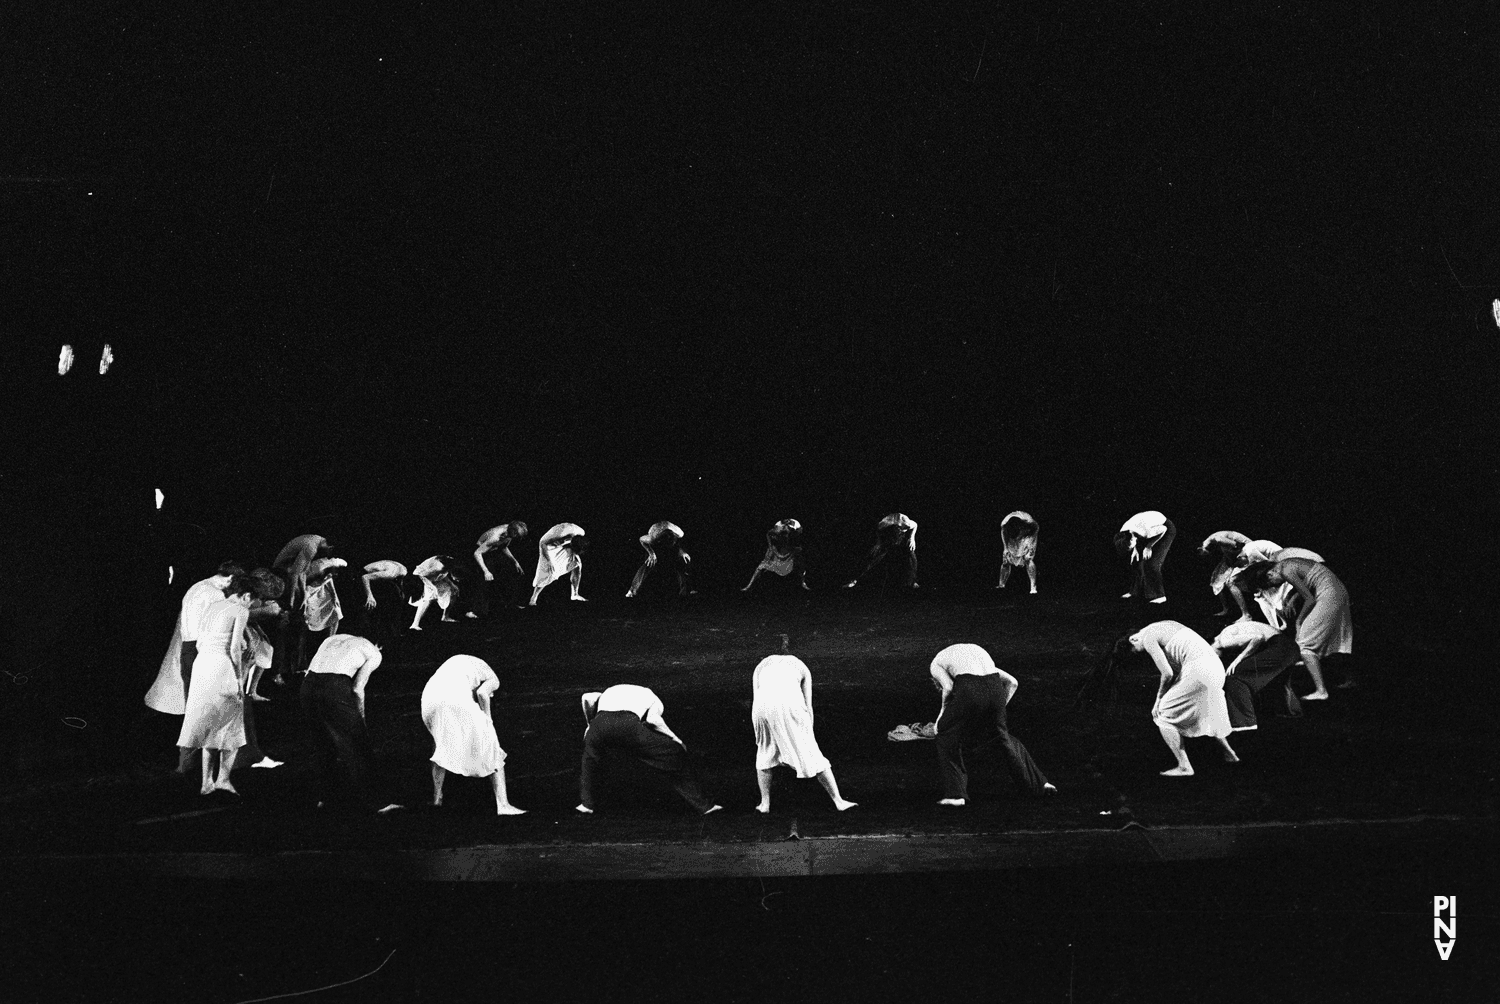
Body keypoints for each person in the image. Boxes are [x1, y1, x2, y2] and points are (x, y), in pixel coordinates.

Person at [145, 560, 244, 774]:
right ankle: (190, 764)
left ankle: (189, 762)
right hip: (200, 650)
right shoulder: (215, 595)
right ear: (231, 579)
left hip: (188, 648)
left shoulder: (197, 587)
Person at [928, 643, 1056, 806]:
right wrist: (998, 709)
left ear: (934, 681)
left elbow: (948, 687)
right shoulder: (969, 654)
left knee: (945, 734)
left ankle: (956, 795)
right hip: (995, 689)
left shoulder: (935, 664)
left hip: (970, 689)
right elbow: (1013, 682)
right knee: (1003, 738)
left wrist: (941, 719)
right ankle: (1040, 784)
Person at [1114, 621, 1239, 776]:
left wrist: (1159, 699)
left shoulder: (1147, 637)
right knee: (1207, 711)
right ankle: (1230, 754)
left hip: (1200, 671)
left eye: (1136, 651)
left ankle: (1184, 766)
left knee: (1163, 712)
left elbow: (1167, 673)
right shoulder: (1164, 625)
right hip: (1216, 669)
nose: (1141, 653)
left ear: (1133, 639)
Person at [576, 684, 721, 815]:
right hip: (629, 725)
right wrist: (677, 740)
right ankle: (705, 806)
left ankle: (586, 805)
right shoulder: (653, 698)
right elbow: (653, 720)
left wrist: (590, 725)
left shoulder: (611, 690)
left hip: (598, 726)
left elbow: (587, 697)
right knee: (674, 756)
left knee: (589, 763)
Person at [300, 633, 401, 813]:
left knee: (322, 746)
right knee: (359, 745)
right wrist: (361, 718)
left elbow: (310, 670)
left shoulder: (332, 638)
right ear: (381, 646)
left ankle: (324, 798)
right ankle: (380, 803)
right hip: (334, 686)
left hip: (308, 686)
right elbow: (357, 688)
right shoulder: (373, 652)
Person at [176, 574, 257, 796]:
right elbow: (233, 650)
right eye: (251, 600)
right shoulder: (240, 610)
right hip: (222, 665)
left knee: (210, 725)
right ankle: (222, 779)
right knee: (231, 726)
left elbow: (201, 642)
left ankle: (206, 783)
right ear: (246, 595)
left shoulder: (213, 606)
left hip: (202, 665)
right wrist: (240, 679)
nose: (250, 605)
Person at [750, 646, 856, 813]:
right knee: (813, 753)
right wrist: (808, 734)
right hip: (790, 706)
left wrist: (759, 731)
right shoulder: (801, 666)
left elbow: (756, 698)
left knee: (764, 752)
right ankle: (839, 801)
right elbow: (808, 705)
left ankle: (764, 804)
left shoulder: (761, 665)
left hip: (761, 708)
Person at [421, 655, 526, 815]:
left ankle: (436, 799)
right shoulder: (493, 677)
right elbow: (483, 694)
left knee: (441, 747)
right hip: (453, 700)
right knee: (492, 746)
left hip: (428, 701)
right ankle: (503, 805)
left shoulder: (464, 663)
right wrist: (488, 720)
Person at [1244, 557, 1353, 701]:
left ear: (1270, 574)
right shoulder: (1286, 564)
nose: (1275, 587)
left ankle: (1321, 692)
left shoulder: (1286, 570)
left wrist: (1299, 621)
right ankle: (1347, 677)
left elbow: (1309, 599)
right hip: (1336, 592)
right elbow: (1306, 583)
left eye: (1270, 584)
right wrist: (1293, 599)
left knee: (1304, 645)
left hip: (1329, 595)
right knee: (1331, 639)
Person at [1210, 620, 1303, 731]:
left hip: (1280, 646)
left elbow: (1258, 637)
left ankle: (1244, 724)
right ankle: (1295, 715)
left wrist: (1239, 658)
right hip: (1290, 648)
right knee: (1281, 683)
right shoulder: (1231, 632)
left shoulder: (1223, 640)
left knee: (1234, 676)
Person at [270, 534, 332, 687]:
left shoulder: (314, 543)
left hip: (288, 578)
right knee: (285, 627)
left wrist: (303, 593)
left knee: (298, 626)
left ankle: (294, 668)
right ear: (328, 544)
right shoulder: (311, 546)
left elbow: (302, 573)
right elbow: (292, 574)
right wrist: (291, 600)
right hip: (281, 578)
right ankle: (277, 672)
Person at [469, 521, 529, 618]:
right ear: (513, 531)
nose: (517, 538)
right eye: (517, 535)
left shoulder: (509, 532)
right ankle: (475, 612)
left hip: (493, 550)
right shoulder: (495, 537)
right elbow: (477, 553)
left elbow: (503, 546)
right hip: (481, 553)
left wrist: (515, 561)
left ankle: (510, 604)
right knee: (486, 581)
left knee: (509, 574)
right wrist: (486, 571)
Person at [844, 513, 919, 591]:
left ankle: (912, 582)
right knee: (872, 556)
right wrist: (878, 544)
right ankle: (854, 580)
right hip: (887, 538)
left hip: (901, 537)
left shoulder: (906, 523)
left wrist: (912, 538)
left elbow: (915, 525)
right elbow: (879, 533)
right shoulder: (883, 525)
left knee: (910, 554)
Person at [1116, 511, 1175, 604]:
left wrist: (1149, 546)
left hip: (1166, 528)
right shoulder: (1123, 531)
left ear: (1133, 539)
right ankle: (1134, 592)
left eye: (1130, 547)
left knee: (1152, 564)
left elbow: (1163, 529)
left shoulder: (1144, 532)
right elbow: (1130, 538)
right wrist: (1134, 550)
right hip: (1148, 527)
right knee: (1137, 561)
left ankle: (1160, 595)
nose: (1130, 549)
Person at [626, 521, 693, 599]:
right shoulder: (653, 538)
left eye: (672, 543)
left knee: (683, 560)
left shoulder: (680, 533)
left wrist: (682, 552)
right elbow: (641, 539)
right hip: (655, 541)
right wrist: (651, 554)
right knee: (649, 563)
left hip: (668, 537)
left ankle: (686, 590)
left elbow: (679, 544)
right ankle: (632, 590)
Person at [742, 518, 810, 593]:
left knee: (800, 565)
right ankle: (749, 585)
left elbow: (798, 537)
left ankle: (803, 582)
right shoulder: (778, 528)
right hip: (778, 549)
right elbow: (768, 533)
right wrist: (770, 545)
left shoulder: (796, 527)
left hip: (788, 550)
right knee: (761, 566)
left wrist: (795, 546)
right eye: (784, 530)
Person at [530, 523, 588, 605]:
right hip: (546, 544)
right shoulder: (562, 540)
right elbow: (543, 544)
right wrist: (549, 561)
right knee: (551, 571)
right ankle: (533, 598)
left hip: (565, 540)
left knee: (577, 564)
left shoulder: (581, 533)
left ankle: (575, 594)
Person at [1198, 530, 1252, 616]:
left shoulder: (1218, 538)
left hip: (1247, 554)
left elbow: (1237, 546)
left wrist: (1234, 564)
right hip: (1233, 558)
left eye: (1205, 553)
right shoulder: (1213, 540)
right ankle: (1226, 609)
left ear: (1201, 548)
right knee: (1217, 580)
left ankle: (1246, 614)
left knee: (1230, 582)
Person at [409, 555, 461, 629]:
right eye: (457, 579)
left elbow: (443, 574)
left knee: (454, 591)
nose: (457, 581)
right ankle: (415, 624)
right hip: (422, 578)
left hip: (434, 577)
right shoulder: (439, 566)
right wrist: (432, 587)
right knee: (428, 598)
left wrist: (452, 584)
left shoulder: (449, 563)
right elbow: (421, 575)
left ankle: (445, 616)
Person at [996, 511, 1039, 593]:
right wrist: (1005, 548)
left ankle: (1033, 587)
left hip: (1027, 536)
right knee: (1006, 559)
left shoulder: (1029, 523)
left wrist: (1030, 546)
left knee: (1028, 558)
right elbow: (1003, 533)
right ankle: (1001, 585)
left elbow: (1035, 529)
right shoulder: (1005, 524)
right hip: (1013, 537)